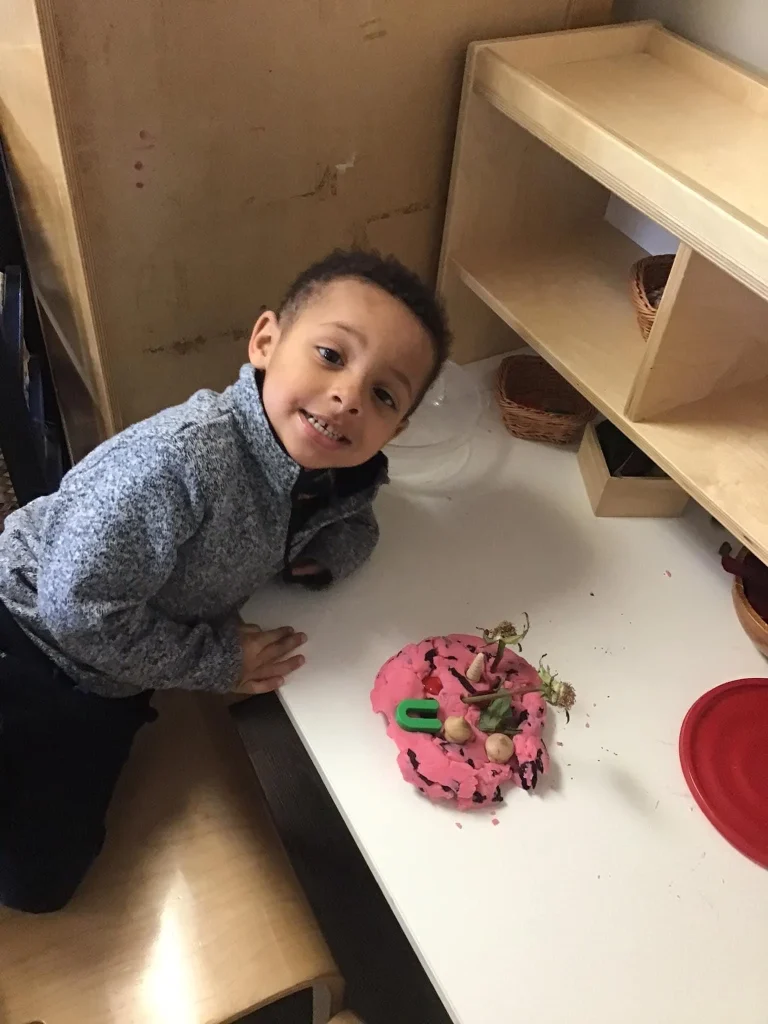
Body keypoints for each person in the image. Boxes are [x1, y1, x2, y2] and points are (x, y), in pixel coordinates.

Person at [0, 249, 450, 912]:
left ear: (398, 427)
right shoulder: (179, 464)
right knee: (33, 881)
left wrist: (325, 558)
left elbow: (353, 520)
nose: (350, 396)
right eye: (331, 356)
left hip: (115, 670)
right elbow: (76, 610)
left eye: (383, 394)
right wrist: (219, 661)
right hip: (33, 634)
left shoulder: (323, 459)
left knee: (48, 872)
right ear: (266, 341)